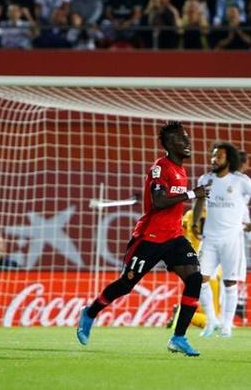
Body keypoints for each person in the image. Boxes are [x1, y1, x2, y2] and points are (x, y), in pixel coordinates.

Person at [77, 121, 211, 357]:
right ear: (170, 143)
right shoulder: (160, 167)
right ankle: (90, 312)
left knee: (194, 278)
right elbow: (158, 201)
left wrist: (195, 196)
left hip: (174, 237)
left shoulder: (181, 170)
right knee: (126, 285)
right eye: (182, 138)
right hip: (149, 237)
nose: (188, 142)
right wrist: (192, 194)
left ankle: (178, 337)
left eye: (187, 137)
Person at [193, 142, 251, 338]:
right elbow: (200, 200)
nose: (214, 160)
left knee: (230, 282)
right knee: (200, 279)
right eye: (213, 156)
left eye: (219, 156)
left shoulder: (240, 181)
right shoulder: (205, 179)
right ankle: (211, 321)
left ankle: (226, 326)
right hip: (209, 239)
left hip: (232, 240)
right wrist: (194, 223)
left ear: (228, 160)